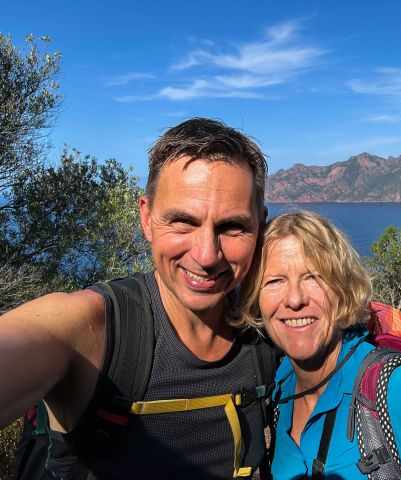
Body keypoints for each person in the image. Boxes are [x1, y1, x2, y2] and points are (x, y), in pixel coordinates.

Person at [0, 118, 277, 479]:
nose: (207, 255)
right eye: (182, 221)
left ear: (261, 225)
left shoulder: (270, 329)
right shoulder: (91, 328)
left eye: (232, 227)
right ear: (146, 217)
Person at [240, 211, 401, 479]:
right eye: (274, 281)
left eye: (313, 277)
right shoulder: (281, 385)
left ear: (342, 288)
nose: (294, 299)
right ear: (256, 298)